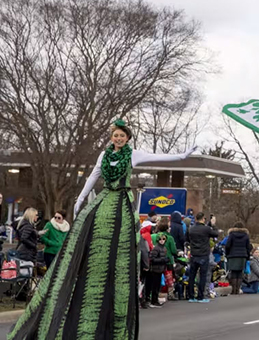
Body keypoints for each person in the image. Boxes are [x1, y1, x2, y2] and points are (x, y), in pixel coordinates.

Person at [8, 119, 195, 339]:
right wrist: (80, 199)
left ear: (127, 138)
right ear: (111, 137)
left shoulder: (133, 155)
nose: (118, 138)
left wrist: (182, 156)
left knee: (121, 243)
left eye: (122, 135)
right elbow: (94, 175)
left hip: (122, 204)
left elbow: (158, 157)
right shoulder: (104, 155)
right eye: (115, 135)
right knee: (85, 231)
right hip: (105, 200)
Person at [186, 212, 219, 302]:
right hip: (203, 254)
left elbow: (187, 239)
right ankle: (201, 296)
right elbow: (216, 234)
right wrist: (213, 225)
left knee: (192, 276)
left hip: (194, 254)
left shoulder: (191, 229)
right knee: (203, 276)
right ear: (203, 219)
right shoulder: (206, 229)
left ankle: (191, 296)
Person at [225, 222, 252, 295]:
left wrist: (227, 254)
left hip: (232, 255)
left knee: (233, 273)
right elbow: (248, 247)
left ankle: (233, 290)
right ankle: (237, 289)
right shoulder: (246, 235)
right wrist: (247, 256)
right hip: (242, 255)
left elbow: (227, 245)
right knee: (240, 273)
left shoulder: (231, 235)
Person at [147, 234, 169, 307]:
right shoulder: (156, 248)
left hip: (160, 269)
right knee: (155, 286)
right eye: (160, 239)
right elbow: (152, 259)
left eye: (163, 239)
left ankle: (155, 300)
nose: (162, 241)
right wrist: (163, 260)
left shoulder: (164, 248)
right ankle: (153, 300)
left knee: (158, 286)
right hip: (155, 269)